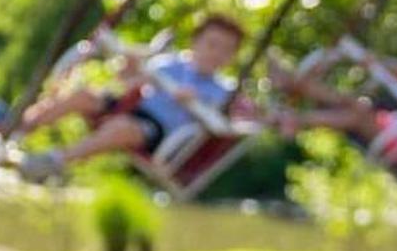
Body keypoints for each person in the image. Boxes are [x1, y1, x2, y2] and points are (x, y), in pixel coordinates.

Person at [18, 14, 246, 180]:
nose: (217, 53)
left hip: (155, 130)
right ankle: (18, 129)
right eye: (212, 45)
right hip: (132, 108)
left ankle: (54, 160)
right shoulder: (171, 64)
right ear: (196, 41)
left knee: (122, 127)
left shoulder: (224, 90)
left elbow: (226, 122)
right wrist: (128, 70)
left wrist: (196, 102)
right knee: (84, 96)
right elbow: (129, 83)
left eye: (226, 50)